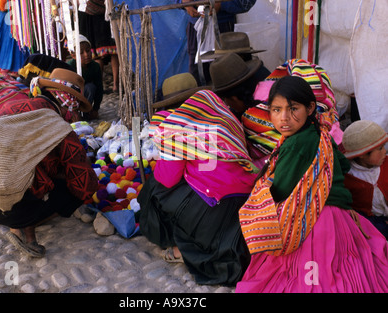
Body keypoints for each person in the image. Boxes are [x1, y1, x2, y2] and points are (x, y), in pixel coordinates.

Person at [236, 76, 388, 293]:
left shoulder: (297, 143)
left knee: (303, 276)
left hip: (312, 222)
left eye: (293, 108)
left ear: (310, 108)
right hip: (339, 218)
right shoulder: (319, 132)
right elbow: (342, 165)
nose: (284, 118)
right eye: (276, 110)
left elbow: (281, 190)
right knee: (343, 267)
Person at [0, 68, 97, 258]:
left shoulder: (11, 106)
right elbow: (84, 185)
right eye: (74, 110)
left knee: (20, 166)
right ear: (68, 106)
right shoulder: (60, 130)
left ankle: (20, 226)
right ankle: (25, 231)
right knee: (70, 189)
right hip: (12, 207)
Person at [137, 53, 262, 286]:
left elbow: (168, 178)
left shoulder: (175, 125)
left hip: (216, 206)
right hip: (246, 200)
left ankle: (180, 247)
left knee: (154, 189)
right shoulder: (225, 115)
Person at [177, 0, 256, 85]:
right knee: (198, 79)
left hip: (223, 28)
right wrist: (185, 4)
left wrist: (222, 4)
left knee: (227, 75)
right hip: (195, 28)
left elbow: (247, 2)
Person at [342, 120, 388, 239]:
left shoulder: (386, 165)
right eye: (380, 149)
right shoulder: (348, 177)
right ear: (362, 154)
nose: (385, 152)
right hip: (370, 221)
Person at [78, 7, 120, 93]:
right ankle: (116, 85)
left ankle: (100, 85)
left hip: (91, 13)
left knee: (97, 52)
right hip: (105, 11)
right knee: (113, 50)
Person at [67, 35, 103, 121]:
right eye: (81, 53)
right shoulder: (70, 66)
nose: (86, 55)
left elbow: (99, 89)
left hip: (86, 94)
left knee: (90, 87)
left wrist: (95, 109)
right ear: (73, 56)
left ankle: (86, 112)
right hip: (73, 96)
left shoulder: (95, 66)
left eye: (88, 51)